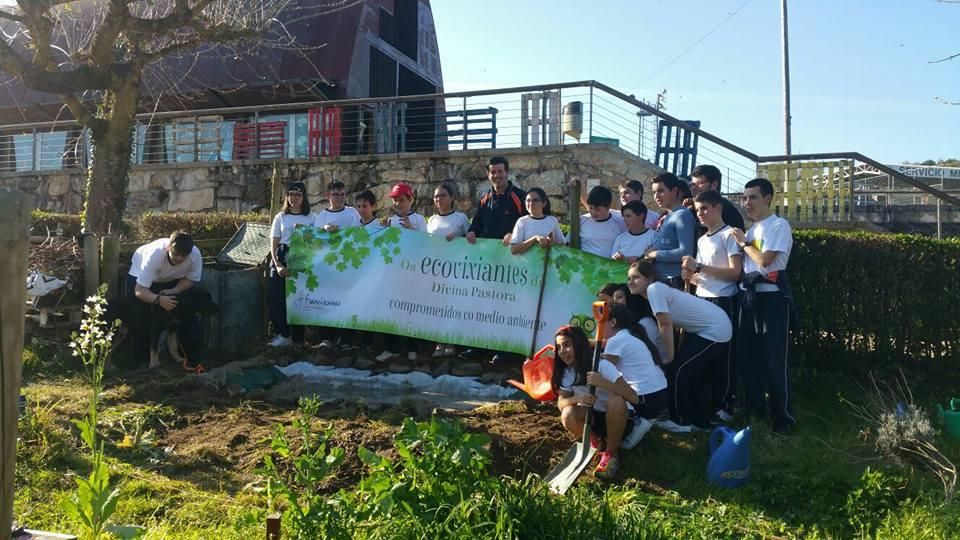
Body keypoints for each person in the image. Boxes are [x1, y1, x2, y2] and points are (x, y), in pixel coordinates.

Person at [627, 260, 732, 432]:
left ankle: (680, 421)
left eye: (636, 277)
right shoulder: (655, 292)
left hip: (716, 331)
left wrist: (669, 356)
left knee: (678, 371)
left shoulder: (654, 289)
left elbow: (665, 324)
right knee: (688, 373)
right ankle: (698, 420)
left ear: (649, 278)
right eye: (629, 278)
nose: (630, 282)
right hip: (708, 329)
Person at [729, 177, 797, 434]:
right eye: (744, 198)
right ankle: (756, 414)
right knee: (749, 360)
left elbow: (765, 261)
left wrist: (743, 243)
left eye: (753, 197)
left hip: (772, 300)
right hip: (749, 298)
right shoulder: (752, 230)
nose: (747, 203)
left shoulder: (778, 225)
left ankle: (784, 419)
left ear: (767, 197)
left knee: (774, 360)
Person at [681, 190, 743, 423]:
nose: (701, 214)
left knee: (724, 357)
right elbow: (701, 274)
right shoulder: (702, 239)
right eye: (698, 210)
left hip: (724, 300)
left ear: (718, 208)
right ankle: (703, 405)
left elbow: (735, 273)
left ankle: (725, 406)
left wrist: (700, 268)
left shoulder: (729, 235)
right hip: (702, 299)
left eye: (705, 209)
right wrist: (690, 275)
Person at [552, 324, 640, 480]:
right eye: (559, 347)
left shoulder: (601, 365)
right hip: (593, 419)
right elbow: (561, 403)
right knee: (567, 413)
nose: (562, 352)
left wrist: (603, 382)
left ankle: (611, 454)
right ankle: (596, 442)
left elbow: (634, 397)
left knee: (615, 400)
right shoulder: (567, 372)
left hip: (620, 419)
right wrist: (577, 399)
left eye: (567, 345)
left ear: (578, 344)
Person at [127, 230, 203, 368]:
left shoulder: (195, 255)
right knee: (141, 315)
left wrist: (174, 291)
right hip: (141, 278)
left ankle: (176, 354)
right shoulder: (155, 255)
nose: (179, 258)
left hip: (171, 280)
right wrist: (158, 300)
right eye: (175, 253)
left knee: (178, 316)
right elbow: (139, 291)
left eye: (183, 256)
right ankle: (142, 360)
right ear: (169, 247)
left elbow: (191, 279)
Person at [602, 303, 669, 443]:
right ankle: (647, 418)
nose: (598, 327)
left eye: (601, 322)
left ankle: (638, 422)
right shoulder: (633, 337)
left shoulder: (615, 341)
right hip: (660, 393)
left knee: (607, 390)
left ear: (613, 322)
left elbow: (605, 369)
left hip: (646, 398)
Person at [376, 182, 427, 363]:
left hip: (413, 272)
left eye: (402, 200)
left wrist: (411, 230)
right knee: (391, 308)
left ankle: (413, 347)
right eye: (396, 200)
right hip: (394, 272)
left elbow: (426, 244)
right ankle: (392, 347)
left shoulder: (420, 220)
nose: (398, 204)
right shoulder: (390, 221)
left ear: (410, 200)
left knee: (411, 308)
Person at [268, 182, 314, 348]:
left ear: (304, 197)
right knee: (276, 297)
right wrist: (278, 264)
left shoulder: (311, 218)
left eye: (298, 194)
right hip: (282, 254)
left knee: (299, 299)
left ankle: (298, 338)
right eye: (291, 194)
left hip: (301, 257)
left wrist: (305, 232)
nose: (294, 198)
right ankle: (283, 334)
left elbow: (317, 241)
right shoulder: (280, 217)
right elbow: (274, 243)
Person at [427, 182, 469, 357]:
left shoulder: (461, 218)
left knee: (452, 305)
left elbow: (472, 240)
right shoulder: (431, 220)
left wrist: (459, 237)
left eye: (443, 195)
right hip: (435, 269)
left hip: (456, 269)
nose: (439, 199)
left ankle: (451, 341)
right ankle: (439, 341)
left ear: (452, 198)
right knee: (437, 305)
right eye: (436, 196)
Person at [645, 172, 696, 287]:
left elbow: (686, 252)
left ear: (674, 191)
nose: (656, 196)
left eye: (661, 191)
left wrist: (654, 254)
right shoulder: (669, 215)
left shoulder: (682, 215)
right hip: (662, 279)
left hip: (674, 280)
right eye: (654, 192)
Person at [466, 156, 526, 245]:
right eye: (493, 172)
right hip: (488, 253)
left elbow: (529, 224)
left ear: (506, 173)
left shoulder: (521, 197)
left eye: (500, 171)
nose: (496, 175)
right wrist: (472, 232)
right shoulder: (484, 200)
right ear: (488, 174)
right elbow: (476, 224)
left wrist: (514, 235)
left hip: (513, 254)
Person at [612, 284, 668, 373]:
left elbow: (643, 355)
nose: (615, 302)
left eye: (619, 297)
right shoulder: (629, 325)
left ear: (632, 298)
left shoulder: (646, 322)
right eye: (614, 299)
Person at [509, 187, 565, 255]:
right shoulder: (522, 221)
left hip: (548, 264)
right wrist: (534, 239)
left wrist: (551, 243)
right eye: (528, 200)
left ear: (544, 203)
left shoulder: (552, 220)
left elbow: (563, 244)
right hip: (527, 264)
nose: (531, 203)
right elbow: (514, 249)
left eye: (535, 200)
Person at [690, 164, 745, 231]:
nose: (694, 188)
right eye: (693, 184)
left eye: (700, 183)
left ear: (714, 184)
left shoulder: (729, 212)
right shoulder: (691, 208)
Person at [579, 185, 626, 258]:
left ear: (608, 207)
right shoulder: (581, 220)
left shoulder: (620, 223)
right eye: (591, 208)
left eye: (598, 209)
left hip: (610, 267)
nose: (593, 212)